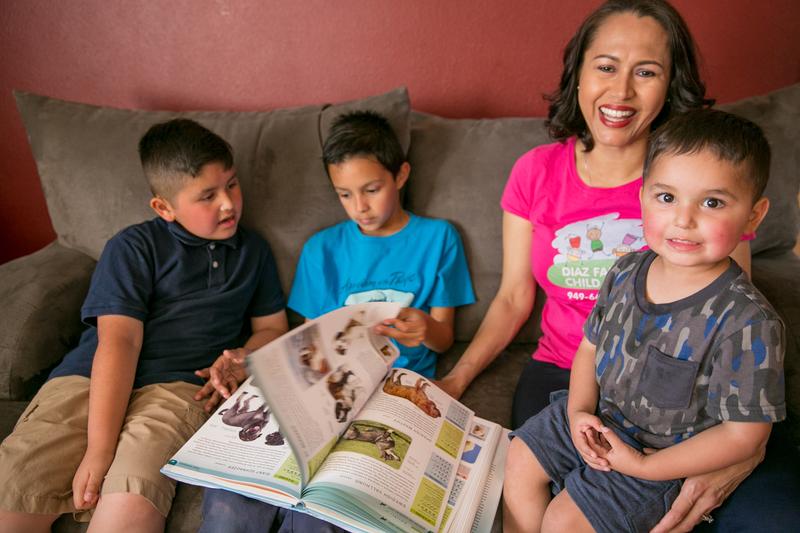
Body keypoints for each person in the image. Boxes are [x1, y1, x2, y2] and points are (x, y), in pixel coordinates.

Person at [436, 1, 799, 530]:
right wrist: (457, 377)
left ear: (670, 84)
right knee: (539, 478)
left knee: (768, 513)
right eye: (606, 66)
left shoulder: (704, 176)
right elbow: (514, 298)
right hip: (568, 370)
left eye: (646, 72)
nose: (622, 90)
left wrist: (736, 452)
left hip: (680, 388)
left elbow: (728, 314)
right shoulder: (540, 177)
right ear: (578, 74)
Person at [0, 118, 288, 533]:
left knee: (129, 509)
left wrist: (245, 356)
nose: (228, 204)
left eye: (232, 184)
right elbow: (119, 343)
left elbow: (272, 329)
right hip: (89, 380)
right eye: (208, 196)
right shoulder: (133, 247)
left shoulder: (253, 252)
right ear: (164, 208)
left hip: (177, 389)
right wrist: (100, 449)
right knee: (16, 493)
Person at [503, 108, 784, 533]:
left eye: (712, 202)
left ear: (753, 216)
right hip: (599, 415)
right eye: (666, 197)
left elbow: (744, 436)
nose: (684, 219)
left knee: (563, 521)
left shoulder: (747, 321)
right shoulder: (624, 271)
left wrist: (645, 466)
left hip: (662, 455)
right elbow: (589, 349)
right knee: (519, 457)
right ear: (642, 197)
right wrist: (579, 412)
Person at [198, 110, 476, 532]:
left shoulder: (439, 238)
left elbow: (444, 338)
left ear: (401, 175)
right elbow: (310, 343)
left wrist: (426, 328)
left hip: (395, 391)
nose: (359, 207)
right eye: (344, 194)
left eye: (371, 190)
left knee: (322, 515)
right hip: (330, 389)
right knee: (230, 503)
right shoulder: (321, 249)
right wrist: (255, 360)